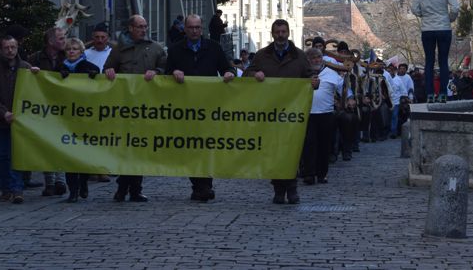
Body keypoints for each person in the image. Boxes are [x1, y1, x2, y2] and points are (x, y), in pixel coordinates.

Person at [243, 19, 319, 205]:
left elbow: (309, 75)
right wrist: (255, 75)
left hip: (293, 112)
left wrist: (314, 82)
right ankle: (278, 188)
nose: (280, 35)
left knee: (291, 151)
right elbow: (246, 74)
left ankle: (292, 188)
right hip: (269, 112)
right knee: (274, 151)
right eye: (277, 32)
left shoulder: (299, 56)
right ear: (272, 33)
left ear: (288, 33)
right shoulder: (262, 55)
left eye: (283, 32)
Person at [165, 14, 236, 202]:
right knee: (191, 148)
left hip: (208, 107)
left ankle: (204, 185)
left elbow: (227, 67)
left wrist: (229, 73)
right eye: (191, 27)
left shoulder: (213, 47)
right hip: (185, 108)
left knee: (206, 146)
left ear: (202, 28)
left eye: (197, 27)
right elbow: (166, 73)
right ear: (185, 29)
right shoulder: (175, 49)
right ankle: (199, 185)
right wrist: (173, 72)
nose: (194, 31)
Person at [103, 14, 166, 202]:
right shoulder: (119, 49)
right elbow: (108, 69)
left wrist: (157, 72)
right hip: (125, 107)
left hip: (147, 107)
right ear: (130, 28)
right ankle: (124, 187)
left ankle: (133, 189)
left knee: (140, 149)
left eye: (145, 26)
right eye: (140, 26)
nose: (143, 30)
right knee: (126, 149)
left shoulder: (155, 48)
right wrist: (109, 71)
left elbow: (165, 69)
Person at [0, 36, 37, 204]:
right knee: (3, 155)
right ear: (1, 49)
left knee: (17, 155)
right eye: (7, 47)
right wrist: (3, 112)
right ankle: (6, 189)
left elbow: (36, 91)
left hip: (20, 121)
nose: (10, 51)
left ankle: (17, 189)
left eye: (13, 47)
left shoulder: (25, 68)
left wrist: (38, 75)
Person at [58, 38, 100, 203]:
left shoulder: (88, 66)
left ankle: (83, 183)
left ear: (81, 52)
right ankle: (73, 191)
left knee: (83, 154)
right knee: (69, 156)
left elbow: (98, 75)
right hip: (66, 118)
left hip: (84, 117)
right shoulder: (60, 68)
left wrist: (93, 76)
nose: (71, 51)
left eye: (75, 49)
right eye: (69, 49)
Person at [410, 0, 459, 104]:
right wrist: (449, 18)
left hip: (427, 30)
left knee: (429, 62)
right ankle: (443, 93)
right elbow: (455, 8)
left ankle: (430, 94)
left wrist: (424, 15)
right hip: (444, 28)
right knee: (443, 61)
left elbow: (414, 8)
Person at [28, 26, 68, 197]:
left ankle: (61, 179)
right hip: (43, 108)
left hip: (64, 108)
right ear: (51, 42)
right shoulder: (35, 58)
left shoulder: (67, 56)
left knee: (62, 143)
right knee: (46, 145)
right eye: (61, 38)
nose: (64, 41)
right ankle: (49, 182)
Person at [300, 47, 341, 185]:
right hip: (308, 114)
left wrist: (350, 98)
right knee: (309, 145)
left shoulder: (332, 74)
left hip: (326, 114)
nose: (316, 60)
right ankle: (309, 174)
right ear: (307, 60)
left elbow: (343, 89)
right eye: (313, 58)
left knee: (324, 145)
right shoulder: (302, 74)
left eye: (318, 57)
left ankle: (322, 174)